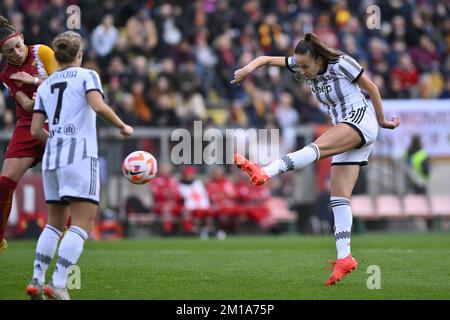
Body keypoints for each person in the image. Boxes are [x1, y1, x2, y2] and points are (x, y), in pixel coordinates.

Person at [231, 32, 400, 286]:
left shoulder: (341, 62)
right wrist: (247, 69)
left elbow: (372, 87)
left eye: (306, 66)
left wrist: (382, 120)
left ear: (319, 59)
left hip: (360, 121)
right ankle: (345, 257)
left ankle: (265, 171)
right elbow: (266, 59)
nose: (301, 71)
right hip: (347, 126)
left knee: (315, 148)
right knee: (339, 197)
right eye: (298, 65)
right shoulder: (302, 64)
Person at [25, 31, 133, 300]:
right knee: (82, 224)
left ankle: (36, 280)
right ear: (79, 54)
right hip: (80, 156)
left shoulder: (46, 85)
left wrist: (58, 139)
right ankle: (59, 283)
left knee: (53, 224)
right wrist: (122, 125)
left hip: (51, 157)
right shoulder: (88, 75)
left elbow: (36, 129)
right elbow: (97, 106)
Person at [0, 15, 58, 254]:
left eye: (17, 46)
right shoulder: (6, 75)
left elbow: (63, 81)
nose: (15, 53)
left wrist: (34, 80)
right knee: (4, 182)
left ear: (22, 38)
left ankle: (67, 230)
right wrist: (40, 93)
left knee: (61, 178)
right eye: (9, 52)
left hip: (55, 121)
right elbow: (25, 105)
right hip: (27, 126)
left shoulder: (42, 52)